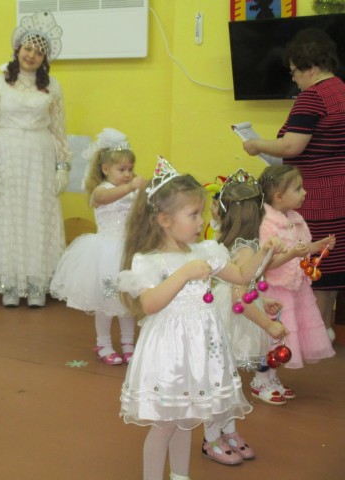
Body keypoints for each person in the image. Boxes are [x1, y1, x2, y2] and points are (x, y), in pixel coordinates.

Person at [116, 158, 284, 480]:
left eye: (202, 213)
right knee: (165, 425)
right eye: (193, 214)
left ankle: (180, 475)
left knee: (186, 421)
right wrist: (183, 273)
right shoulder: (150, 260)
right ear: (164, 220)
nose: (201, 221)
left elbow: (241, 275)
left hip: (201, 351)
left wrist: (264, 252)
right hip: (170, 353)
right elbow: (149, 303)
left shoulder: (205, 250)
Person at [243, 28, 345, 340]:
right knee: (331, 263)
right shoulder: (340, 89)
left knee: (311, 261)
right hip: (339, 188)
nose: (294, 79)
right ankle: (325, 327)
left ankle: (311, 333)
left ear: (310, 68)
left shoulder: (312, 97)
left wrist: (257, 144)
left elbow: (291, 146)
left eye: (295, 72)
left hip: (315, 193)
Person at [0, 10, 69, 308]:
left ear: (45, 58)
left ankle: (37, 283)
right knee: (9, 216)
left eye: (39, 52)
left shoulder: (52, 86)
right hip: (8, 156)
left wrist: (62, 166)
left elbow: (58, 129)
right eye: (28, 48)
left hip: (40, 158)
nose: (31, 55)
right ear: (18, 49)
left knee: (37, 215)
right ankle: (10, 284)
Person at [203, 169, 288, 467]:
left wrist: (265, 300)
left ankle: (228, 431)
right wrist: (268, 324)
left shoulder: (236, 242)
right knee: (223, 381)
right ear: (256, 215)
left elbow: (245, 286)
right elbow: (239, 299)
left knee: (229, 380)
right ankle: (211, 437)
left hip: (232, 311)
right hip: (232, 318)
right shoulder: (245, 248)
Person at [50, 129, 145, 365]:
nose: (127, 174)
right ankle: (103, 343)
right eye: (122, 169)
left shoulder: (131, 192)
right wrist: (131, 187)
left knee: (126, 301)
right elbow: (105, 199)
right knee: (106, 301)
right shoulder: (101, 190)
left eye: (130, 169)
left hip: (128, 254)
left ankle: (128, 344)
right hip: (106, 258)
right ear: (105, 169)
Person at [257, 165, 335, 397]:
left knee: (284, 338)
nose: (305, 193)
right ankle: (261, 380)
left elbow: (299, 247)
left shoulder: (292, 219)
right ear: (279, 196)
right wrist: (292, 254)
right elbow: (265, 262)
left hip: (295, 289)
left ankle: (272, 378)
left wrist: (318, 246)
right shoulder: (266, 223)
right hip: (275, 290)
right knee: (271, 337)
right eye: (298, 189)